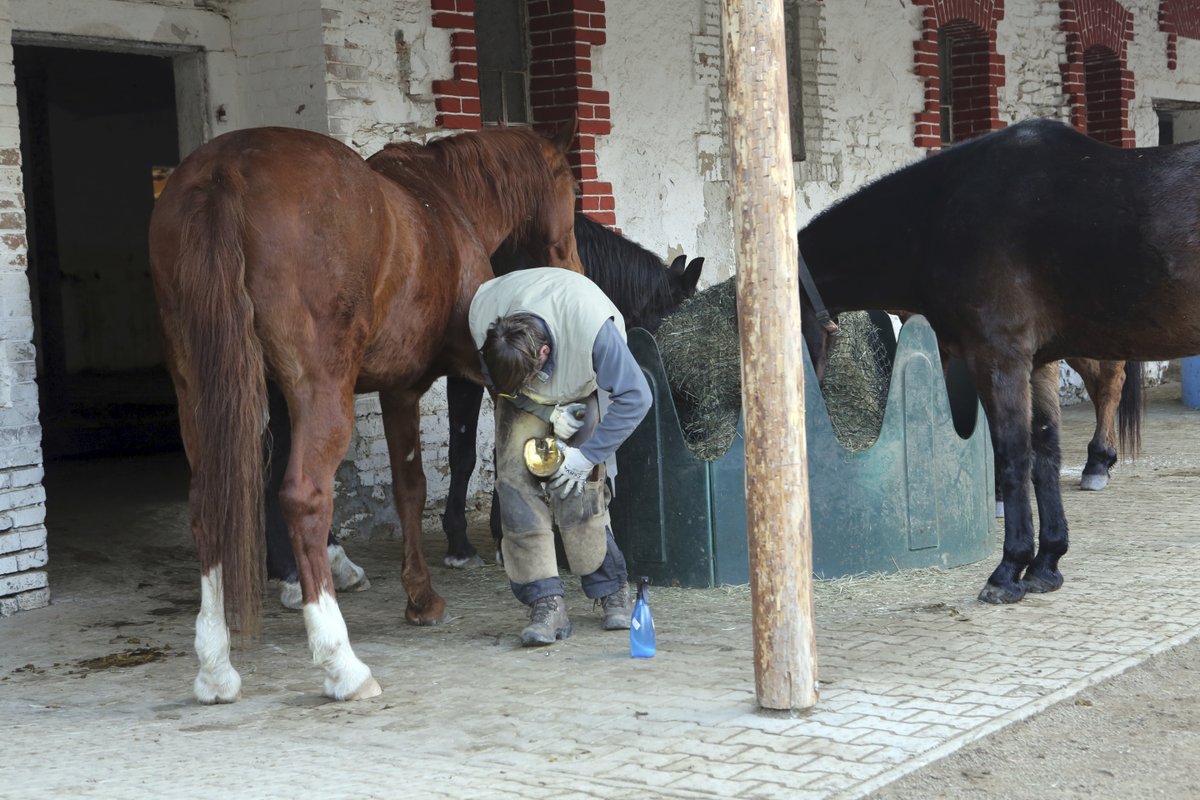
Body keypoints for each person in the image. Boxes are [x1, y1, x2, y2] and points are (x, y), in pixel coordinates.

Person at [469, 267, 652, 646]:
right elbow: (499, 383)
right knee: (515, 486)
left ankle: (609, 590)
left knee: (578, 487)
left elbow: (637, 397)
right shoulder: (485, 319)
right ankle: (546, 603)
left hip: (577, 381)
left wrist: (586, 456)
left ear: (543, 353)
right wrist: (543, 412)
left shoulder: (594, 331)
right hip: (520, 396)